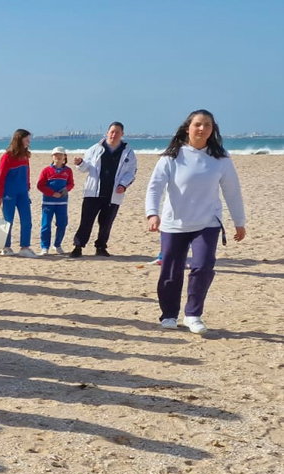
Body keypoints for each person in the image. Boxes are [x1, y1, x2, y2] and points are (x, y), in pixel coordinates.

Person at [146, 109, 246, 334]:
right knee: (171, 272)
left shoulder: (220, 157)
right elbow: (155, 187)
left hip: (207, 222)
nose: (202, 129)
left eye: (208, 125)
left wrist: (239, 221)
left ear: (213, 129)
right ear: (187, 128)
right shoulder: (171, 156)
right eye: (198, 124)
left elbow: (232, 191)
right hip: (174, 223)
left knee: (203, 267)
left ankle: (193, 315)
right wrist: (152, 213)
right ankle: (169, 314)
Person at [71, 122, 138, 258]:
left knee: (106, 222)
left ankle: (101, 247)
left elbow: (131, 172)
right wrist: (80, 163)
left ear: (122, 134)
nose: (114, 135)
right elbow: (85, 168)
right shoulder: (95, 149)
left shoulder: (128, 152)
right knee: (86, 221)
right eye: (112, 132)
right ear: (107, 132)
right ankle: (78, 246)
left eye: (117, 132)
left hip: (113, 193)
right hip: (93, 192)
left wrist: (123, 185)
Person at [0, 129, 36, 257]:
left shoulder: (25, 155)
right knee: (8, 221)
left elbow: (27, 173)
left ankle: (25, 247)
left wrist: (27, 188)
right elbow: (0, 176)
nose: (28, 142)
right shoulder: (7, 156)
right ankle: (6, 247)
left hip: (23, 193)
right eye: (26, 139)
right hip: (9, 193)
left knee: (27, 220)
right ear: (19, 139)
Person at [37, 147, 75, 255]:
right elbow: (40, 185)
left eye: (60, 155)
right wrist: (52, 193)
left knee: (62, 224)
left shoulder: (68, 171)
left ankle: (57, 245)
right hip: (48, 203)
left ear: (64, 157)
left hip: (62, 203)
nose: (58, 157)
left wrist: (66, 189)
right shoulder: (46, 170)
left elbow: (71, 183)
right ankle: (45, 247)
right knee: (46, 225)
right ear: (52, 157)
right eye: (55, 155)